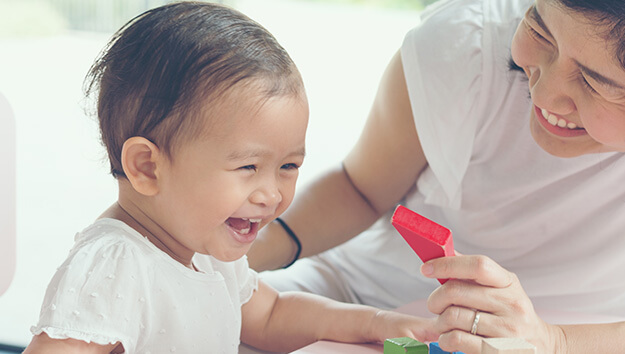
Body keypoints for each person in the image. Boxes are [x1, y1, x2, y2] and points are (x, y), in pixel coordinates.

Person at [248, 0, 625, 352]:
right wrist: (238, 249)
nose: (544, 92)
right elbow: (360, 189)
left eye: (593, 82)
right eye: (541, 32)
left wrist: (555, 342)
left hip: (588, 339)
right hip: (365, 301)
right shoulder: (465, 47)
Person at [23, 2, 440, 353]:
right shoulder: (115, 266)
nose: (272, 194)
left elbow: (273, 315)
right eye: (248, 168)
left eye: (289, 167)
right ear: (147, 167)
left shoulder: (203, 245)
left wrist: (377, 323)